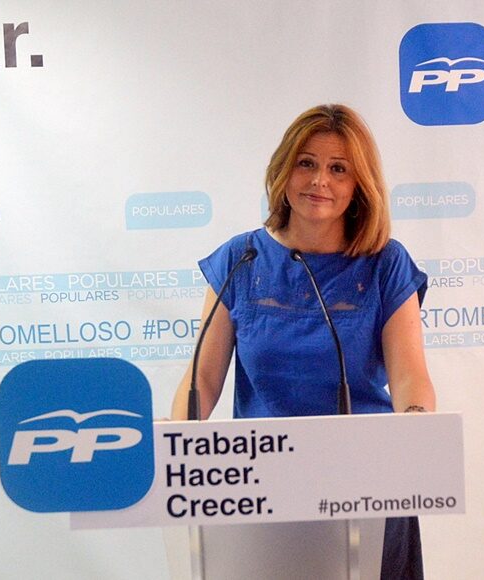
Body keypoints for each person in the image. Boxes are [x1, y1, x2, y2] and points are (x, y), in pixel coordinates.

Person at [171, 103, 435, 578]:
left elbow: (409, 377)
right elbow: (202, 380)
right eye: (306, 163)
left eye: (339, 169)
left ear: (359, 185)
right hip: (260, 485)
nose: (319, 181)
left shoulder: (385, 263)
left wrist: (414, 437)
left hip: (368, 483)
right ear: (283, 170)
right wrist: (177, 458)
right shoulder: (241, 258)